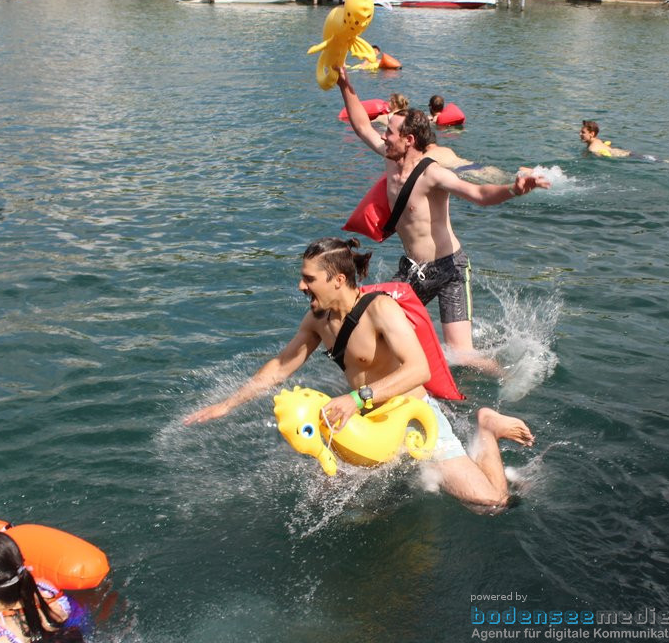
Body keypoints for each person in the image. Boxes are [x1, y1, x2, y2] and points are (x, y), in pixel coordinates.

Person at [183, 238, 535, 509]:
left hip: (413, 419)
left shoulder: (381, 309)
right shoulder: (317, 321)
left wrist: (356, 398)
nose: (301, 287)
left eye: (308, 279)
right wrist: (227, 405)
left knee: (490, 504)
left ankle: (487, 428)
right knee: (331, 503)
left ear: (337, 280)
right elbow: (279, 367)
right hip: (365, 422)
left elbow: (419, 368)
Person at [335, 67, 549, 368]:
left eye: (390, 133)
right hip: (414, 272)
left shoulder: (433, 173)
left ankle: (510, 375)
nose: (384, 136)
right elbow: (360, 125)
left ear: (408, 140)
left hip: (449, 270)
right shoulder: (390, 158)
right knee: (370, 323)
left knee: (462, 356)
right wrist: (345, 84)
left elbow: (478, 195)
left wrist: (513, 190)